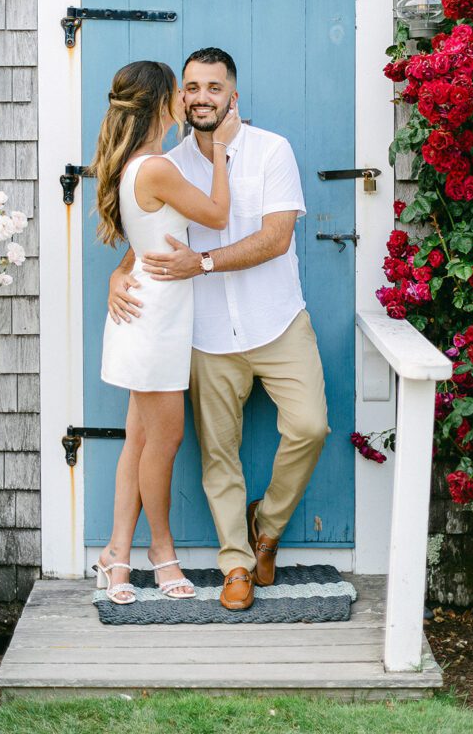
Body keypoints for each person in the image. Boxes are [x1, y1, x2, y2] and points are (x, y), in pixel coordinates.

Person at [108, 48, 330, 611]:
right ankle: (236, 563)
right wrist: (120, 271)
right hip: (204, 331)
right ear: (178, 98)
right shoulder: (169, 161)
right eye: (191, 87)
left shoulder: (271, 150)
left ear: (234, 94)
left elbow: (276, 237)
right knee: (217, 454)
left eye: (213, 86)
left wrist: (203, 263)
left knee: (311, 426)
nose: (202, 96)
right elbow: (150, 229)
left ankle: (268, 525)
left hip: (276, 319)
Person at [90, 59, 240, 605]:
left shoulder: (138, 165)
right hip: (153, 321)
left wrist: (118, 272)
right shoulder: (155, 168)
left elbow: (148, 239)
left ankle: (115, 553)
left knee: (139, 440)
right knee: (166, 439)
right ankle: (161, 550)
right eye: (179, 93)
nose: (186, 101)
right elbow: (219, 216)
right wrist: (221, 150)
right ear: (161, 103)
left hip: (151, 313)